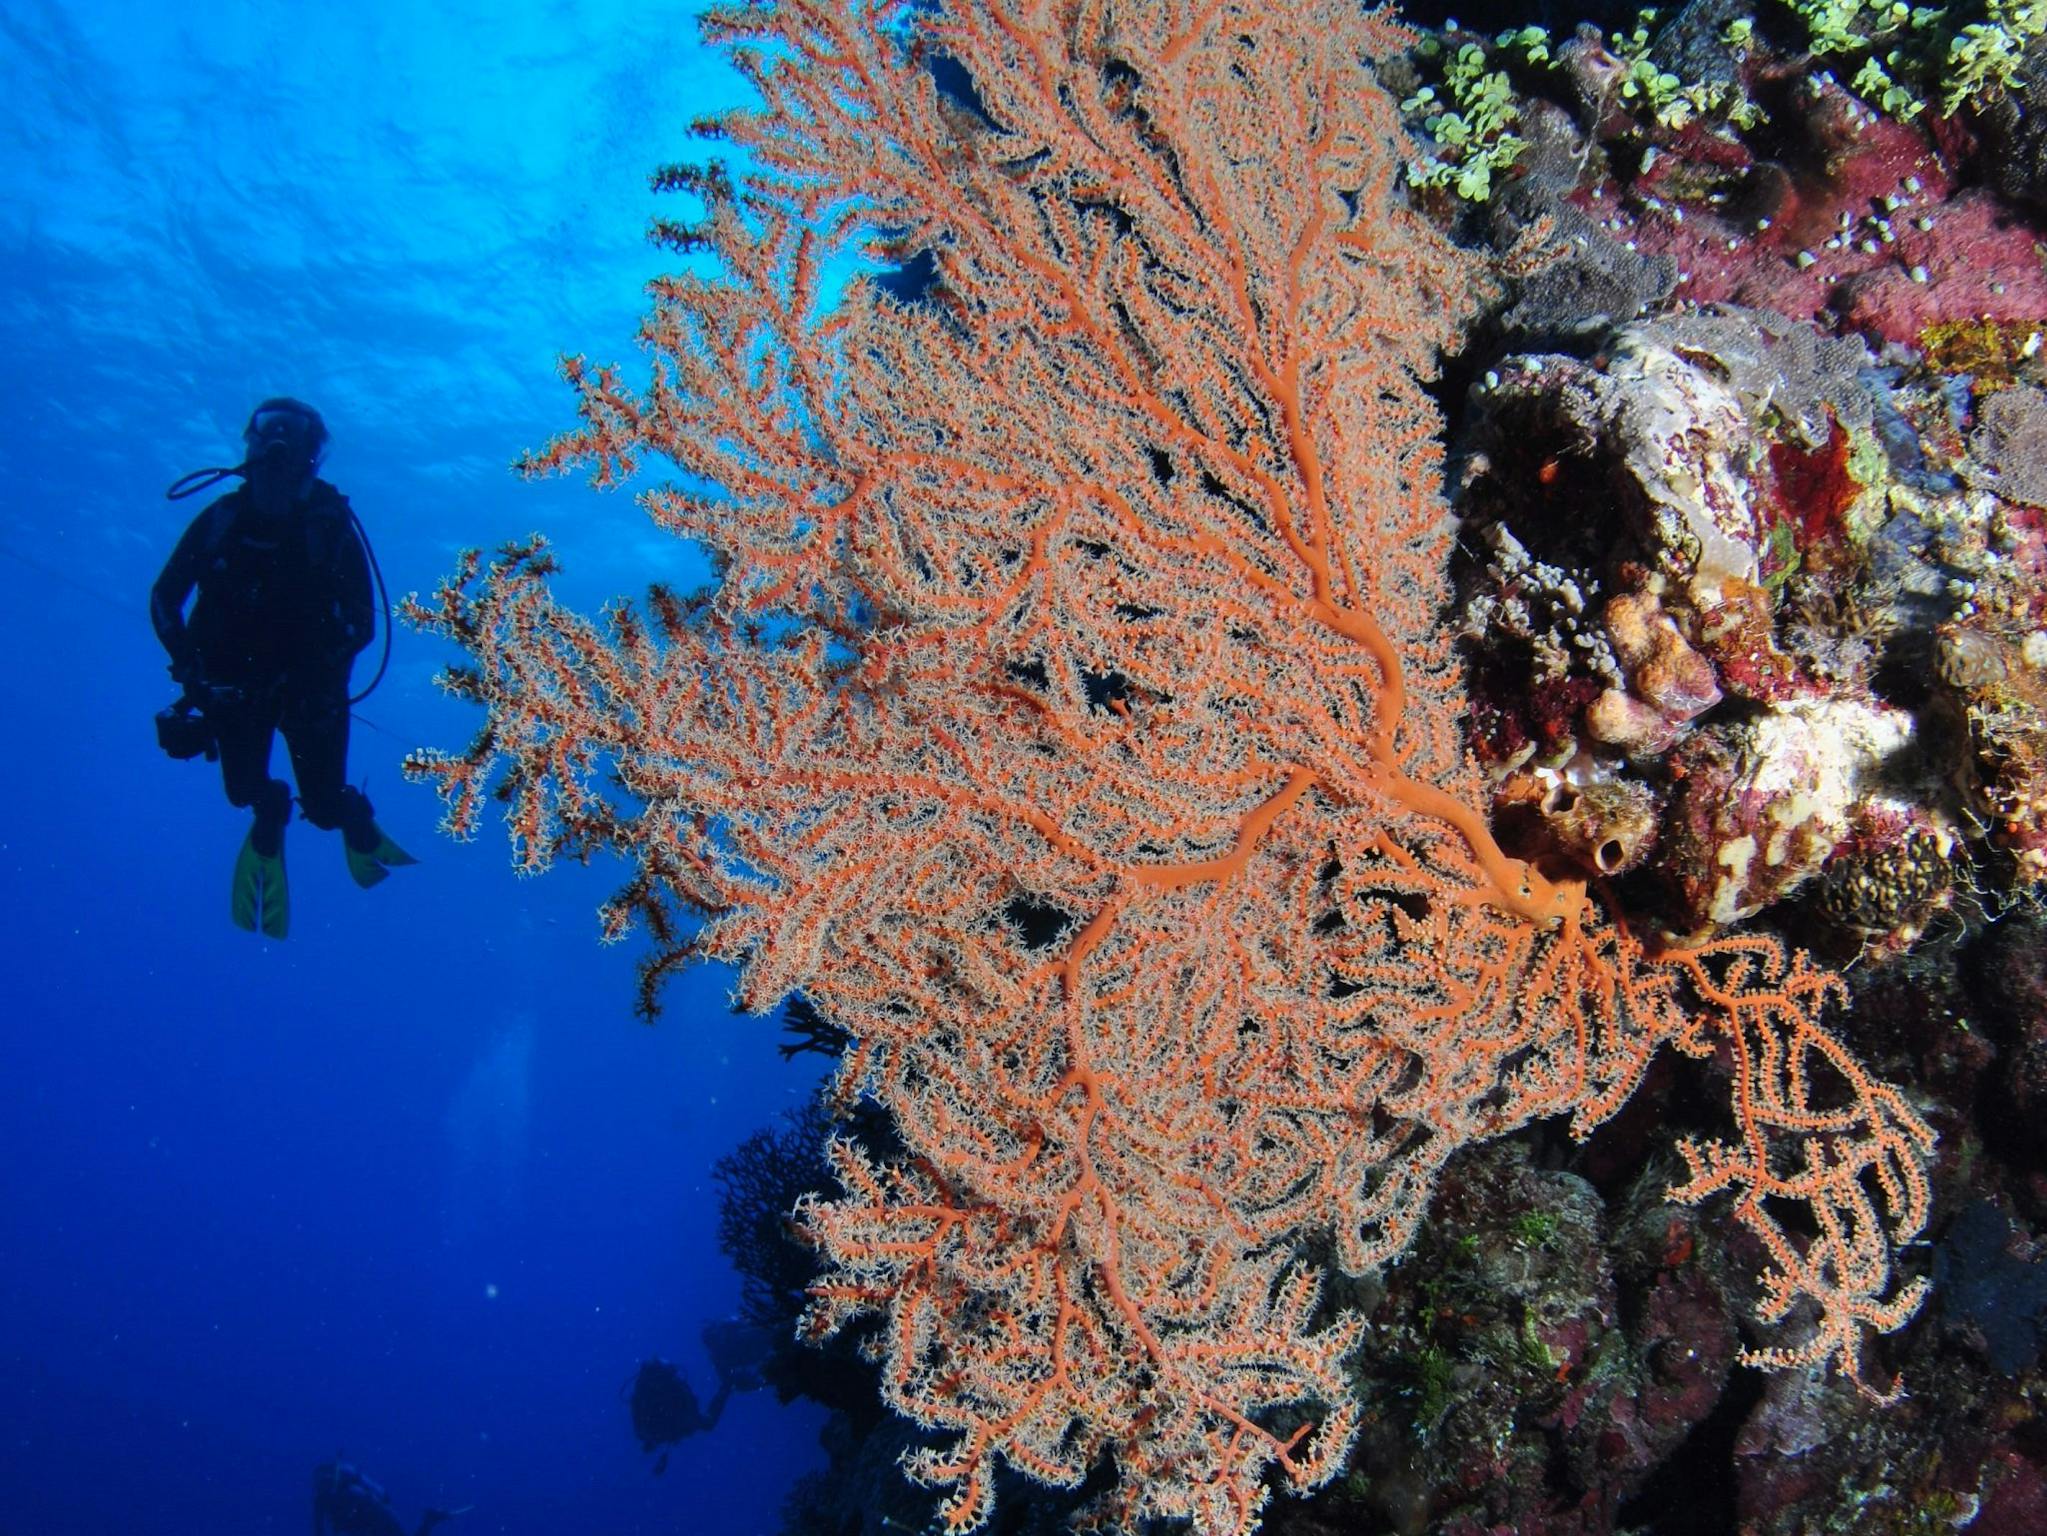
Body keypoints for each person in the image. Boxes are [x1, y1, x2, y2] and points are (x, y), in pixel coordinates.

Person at [152, 398, 413, 937]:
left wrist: (311, 676)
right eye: (267, 439)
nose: (275, 453)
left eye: (290, 443)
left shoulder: (329, 526)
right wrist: (191, 669)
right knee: (243, 791)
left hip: (309, 696)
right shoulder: (222, 519)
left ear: (309, 459)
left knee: (322, 808)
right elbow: (164, 598)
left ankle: (349, 815)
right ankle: (270, 809)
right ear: (251, 447)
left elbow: (364, 622)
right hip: (233, 689)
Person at [310, 1461, 455, 1536]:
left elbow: (319, 1531)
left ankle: (429, 1520)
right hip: (377, 1519)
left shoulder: (329, 1498)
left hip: (374, 1523)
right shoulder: (328, 1498)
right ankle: (429, 1520)